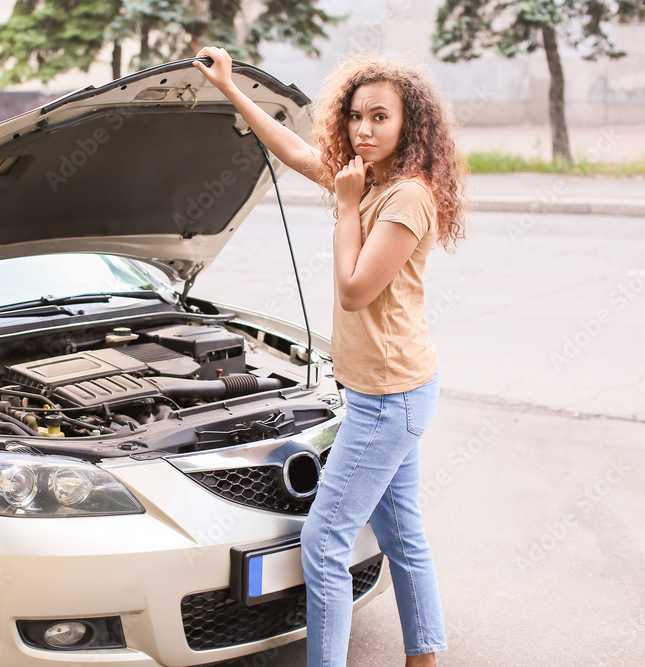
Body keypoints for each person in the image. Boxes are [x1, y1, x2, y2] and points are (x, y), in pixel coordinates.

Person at [194, 47, 468, 666]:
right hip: (387, 389)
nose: (363, 131)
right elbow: (293, 152)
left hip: (388, 398)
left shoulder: (404, 198)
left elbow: (353, 291)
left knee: (322, 541)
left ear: (409, 126)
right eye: (354, 117)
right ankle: (424, 657)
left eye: (380, 118)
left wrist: (346, 205)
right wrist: (232, 89)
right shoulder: (367, 177)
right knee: (402, 533)